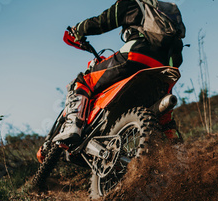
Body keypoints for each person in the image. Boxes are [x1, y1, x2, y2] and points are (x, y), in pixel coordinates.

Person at [54, 0, 185, 144]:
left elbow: (103, 21)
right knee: (164, 117)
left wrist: (78, 30)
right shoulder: (166, 11)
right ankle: (177, 150)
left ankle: (73, 126)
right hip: (164, 67)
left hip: (135, 56)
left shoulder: (131, 3)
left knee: (83, 80)